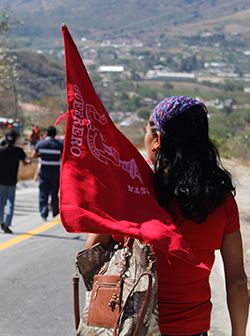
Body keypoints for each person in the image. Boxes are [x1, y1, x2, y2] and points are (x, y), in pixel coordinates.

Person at [85, 96, 249, 335]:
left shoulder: (131, 194)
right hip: (192, 329)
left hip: (132, 326)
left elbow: (93, 256)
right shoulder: (221, 202)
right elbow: (237, 282)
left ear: (157, 139)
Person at [0, 130, 30, 234]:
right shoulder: (18, 151)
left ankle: (1, 221)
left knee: (1, 203)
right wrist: (29, 162)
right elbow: (25, 162)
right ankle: (7, 223)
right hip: (12, 181)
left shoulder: (1, 150)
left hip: (1, 181)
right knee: (10, 203)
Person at [32, 126, 63, 220]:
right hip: (55, 172)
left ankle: (43, 213)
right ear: (55, 134)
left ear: (47, 134)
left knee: (43, 192)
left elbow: (34, 155)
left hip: (44, 171)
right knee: (54, 192)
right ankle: (55, 212)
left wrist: (41, 155)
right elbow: (63, 156)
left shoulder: (40, 143)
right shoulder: (60, 145)